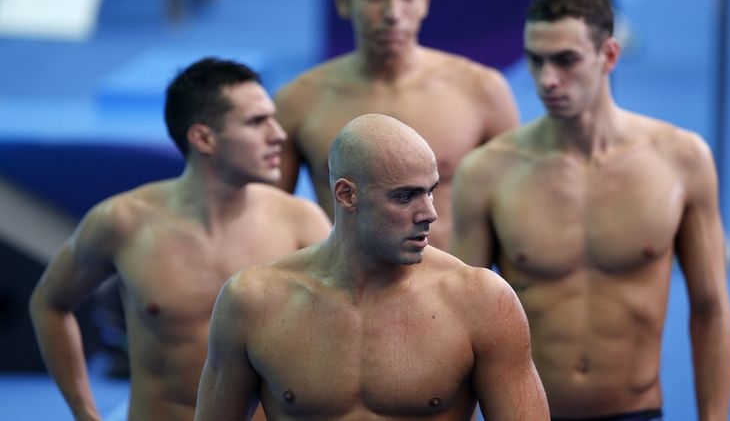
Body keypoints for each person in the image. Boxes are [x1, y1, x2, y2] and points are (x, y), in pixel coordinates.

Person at [451, 0, 730, 420]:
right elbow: (463, 322)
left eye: (566, 61)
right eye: (535, 60)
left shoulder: (681, 160)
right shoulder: (488, 172)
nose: (548, 79)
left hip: (635, 411)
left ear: (609, 55)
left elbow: (711, 307)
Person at [29, 57, 331, 421]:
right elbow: (49, 304)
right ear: (204, 138)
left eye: (273, 117)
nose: (279, 135)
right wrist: (84, 412)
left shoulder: (301, 223)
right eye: (256, 122)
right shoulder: (123, 222)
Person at [194, 114, 549, 421]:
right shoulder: (253, 302)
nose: (429, 214)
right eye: (405, 196)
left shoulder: (481, 301)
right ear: (347, 195)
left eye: (430, 191)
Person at [274, 0, 519, 251]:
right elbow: (266, 223)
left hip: (449, 295)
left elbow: (517, 223)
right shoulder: (298, 101)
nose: (393, 12)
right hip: (342, 297)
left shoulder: (482, 92)